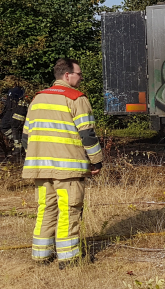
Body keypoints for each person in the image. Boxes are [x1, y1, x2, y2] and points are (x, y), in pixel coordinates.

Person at [22, 58, 104, 268]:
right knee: (69, 210)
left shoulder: (37, 99)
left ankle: (41, 255)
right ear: (67, 75)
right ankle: (69, 259)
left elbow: (25, 137)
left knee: (46, 209)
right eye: (79, 74)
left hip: (40, 169)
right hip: (68, 170)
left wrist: (37, 158)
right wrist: (96, 161)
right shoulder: (76, 98)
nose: (81, 78)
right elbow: (87, 135)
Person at [1, 87, 28, 156]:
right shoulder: (11, 95)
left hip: (18, 111)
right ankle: (18, 142)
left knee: (15, 126)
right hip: (11, 111)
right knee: (4, 126)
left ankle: (18, 148)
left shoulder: (21, 100)